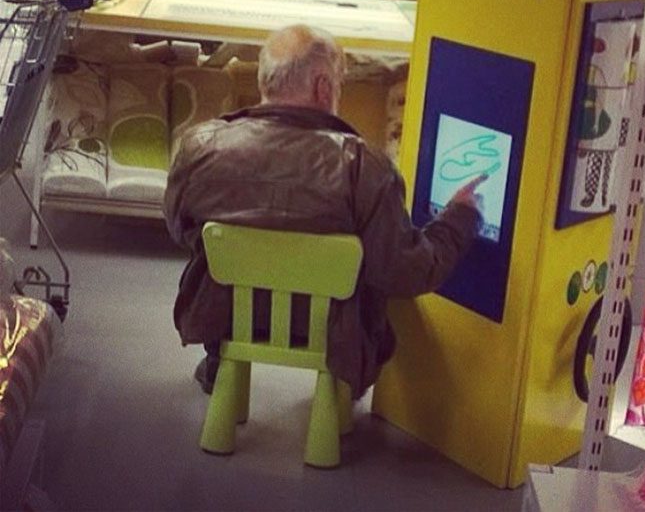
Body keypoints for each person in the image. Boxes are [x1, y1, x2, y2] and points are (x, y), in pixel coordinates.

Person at [164, 24, 484, 399]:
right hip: (334, 331)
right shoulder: (363, 166)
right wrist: (459, 217)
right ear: (323, 86)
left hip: (226, 313)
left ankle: (221, 361)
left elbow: (180, 230)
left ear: (266, 79)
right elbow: (406, 272)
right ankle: (338, 394)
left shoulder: (200, 146)